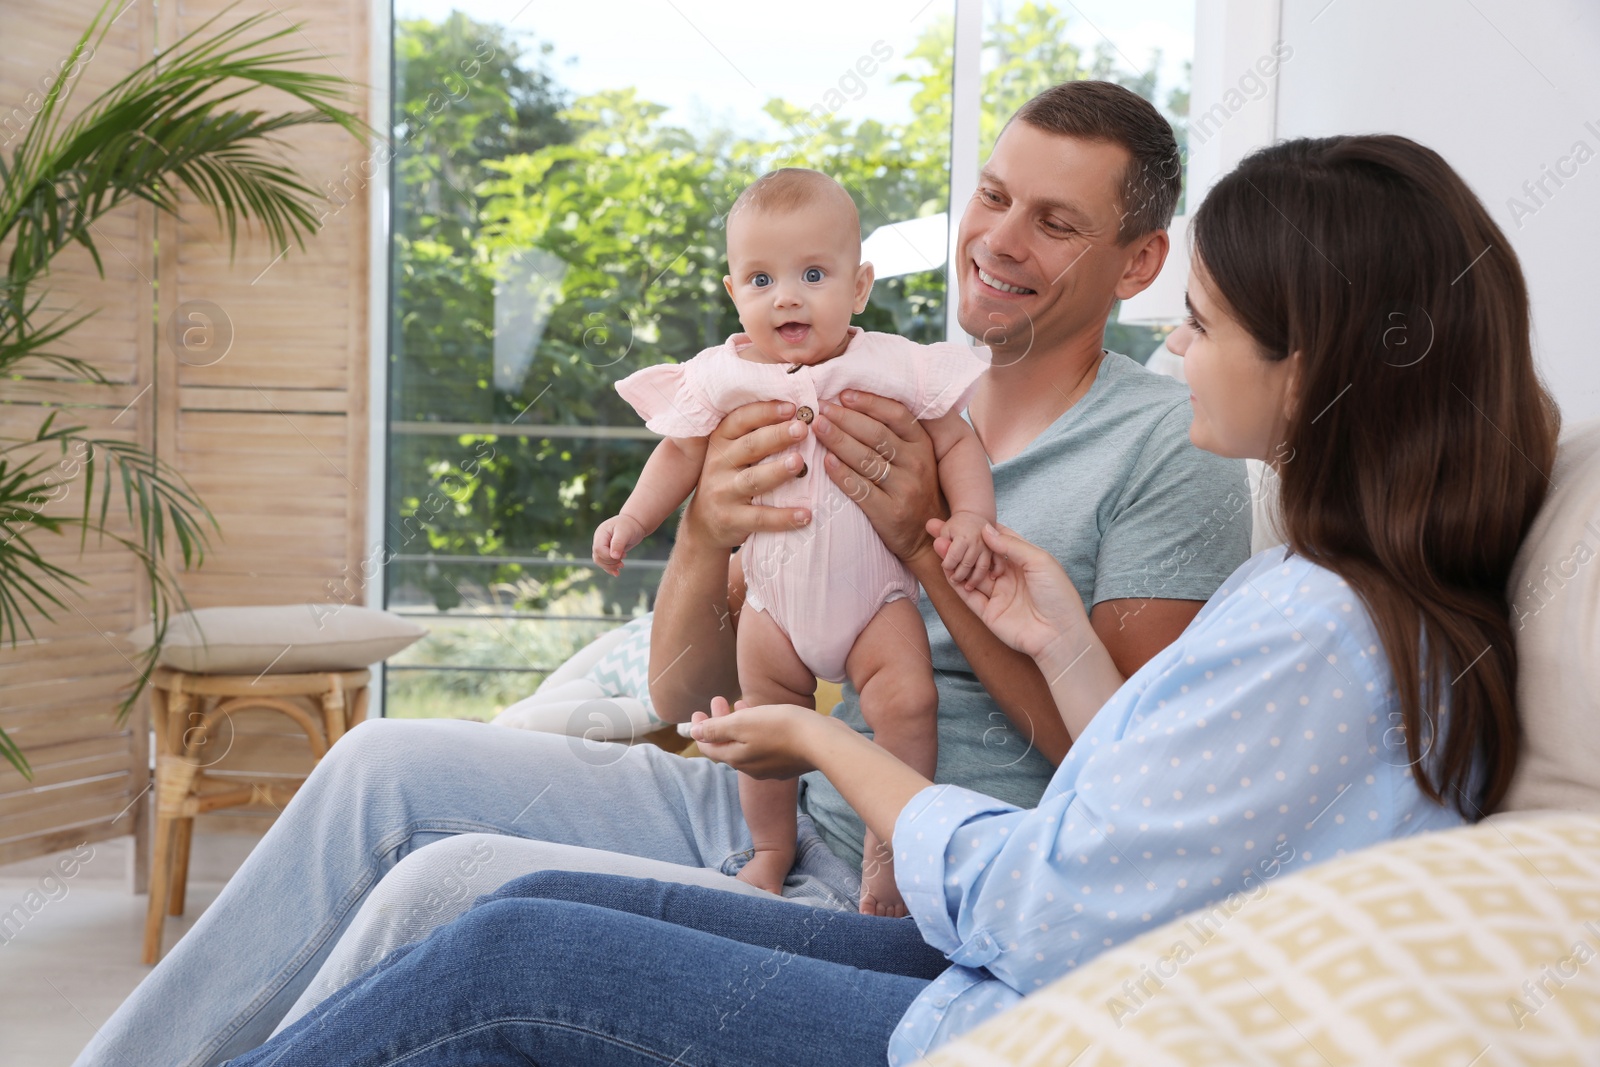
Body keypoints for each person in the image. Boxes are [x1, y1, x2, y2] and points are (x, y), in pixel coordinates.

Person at [222, 130, 1559, 1067]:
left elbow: (1049, 901)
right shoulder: (1329, 593)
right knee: (494, 900)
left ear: (1314, 361)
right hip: (1003, 954)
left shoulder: (1318, 622)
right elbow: (1170, 817)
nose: (1174, 344)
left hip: (1004, 1006)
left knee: (497, 957)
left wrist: (822, 736)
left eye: (1202, 320)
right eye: (994, 197)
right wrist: (1059, 641)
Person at [76, 81, 1249, 1067]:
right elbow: (690, 700)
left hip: (901, 874)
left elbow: (1122, 782)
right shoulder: (858, 374)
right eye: (992, 195)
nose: (998, 237)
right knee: (381, 760)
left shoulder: (1163, 445)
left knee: (452, 884)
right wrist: (698, 534)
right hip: (763, 800)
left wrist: (921, 544)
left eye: (1054, 220)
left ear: (1139, 260)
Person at [596, 167, 996, 913]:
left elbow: (955, 439)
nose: (786, 296)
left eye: (814, 274)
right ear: (733, 294)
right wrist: (632, 519)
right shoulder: (721, 375)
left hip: (876, 601)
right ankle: (772, 849)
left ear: (860, 286)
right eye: (761, 278)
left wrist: (969, 516)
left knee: (908, 703)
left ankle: (887, 847)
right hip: (772, 606)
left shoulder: (889, 362)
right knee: (762, 717)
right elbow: (679, 454)